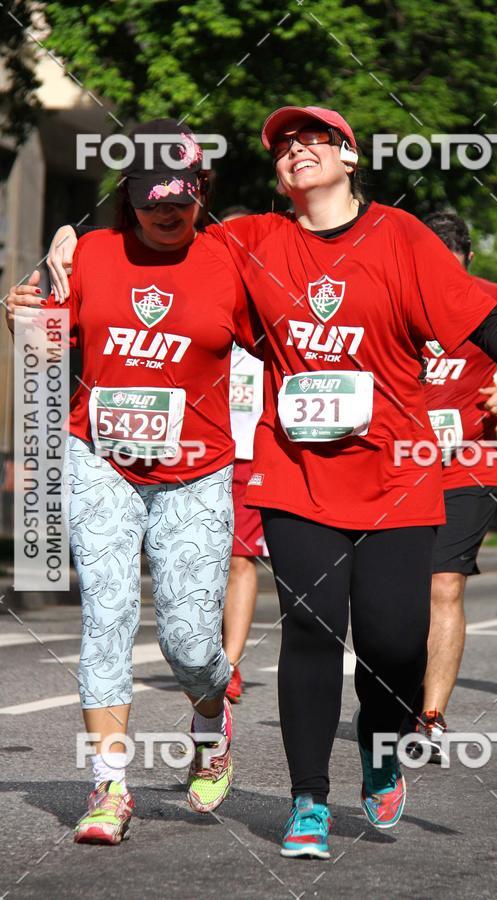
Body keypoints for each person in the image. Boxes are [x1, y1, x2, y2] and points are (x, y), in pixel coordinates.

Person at [42, 105, 497, 860]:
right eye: (285, 146)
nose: (298, 150)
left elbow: (481, 317)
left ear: (350, 155)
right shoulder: (249, 239)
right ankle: (305, 799)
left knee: (394, 640)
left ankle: (379, 746)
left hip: (395, 473)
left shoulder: (399, 236)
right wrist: (64, 245)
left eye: (315, 139)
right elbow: (145, 250)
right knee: (308, 627)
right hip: (293, 472)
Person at [5, 119, 258, 845]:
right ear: (130, 194)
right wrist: (19, 314)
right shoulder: (89, 253)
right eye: (152, 199)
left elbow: (288, 346)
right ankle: (110, 785)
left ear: (201, 190)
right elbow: (42, 347)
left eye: (180, 198)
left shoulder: (230, 261)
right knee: (107, 615)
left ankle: (210, 721)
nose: (166, 212)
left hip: (197, 471)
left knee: (189, 640)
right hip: (100, 458)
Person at [406, 212, 497, 761]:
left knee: (445, 586)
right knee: (393, 594)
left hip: (467, 464)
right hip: (395, 466)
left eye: (453, 271)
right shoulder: (393, 295)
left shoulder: (496, 299)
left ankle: (431, 717)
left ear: (470, 262)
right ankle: (394, 695)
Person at [221, 206, 268, 703]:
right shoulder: (197, 297)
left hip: (251, 454)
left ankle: (229, 664)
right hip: (196, 452)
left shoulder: (270, 305)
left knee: (239, 559)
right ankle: (200, 652)